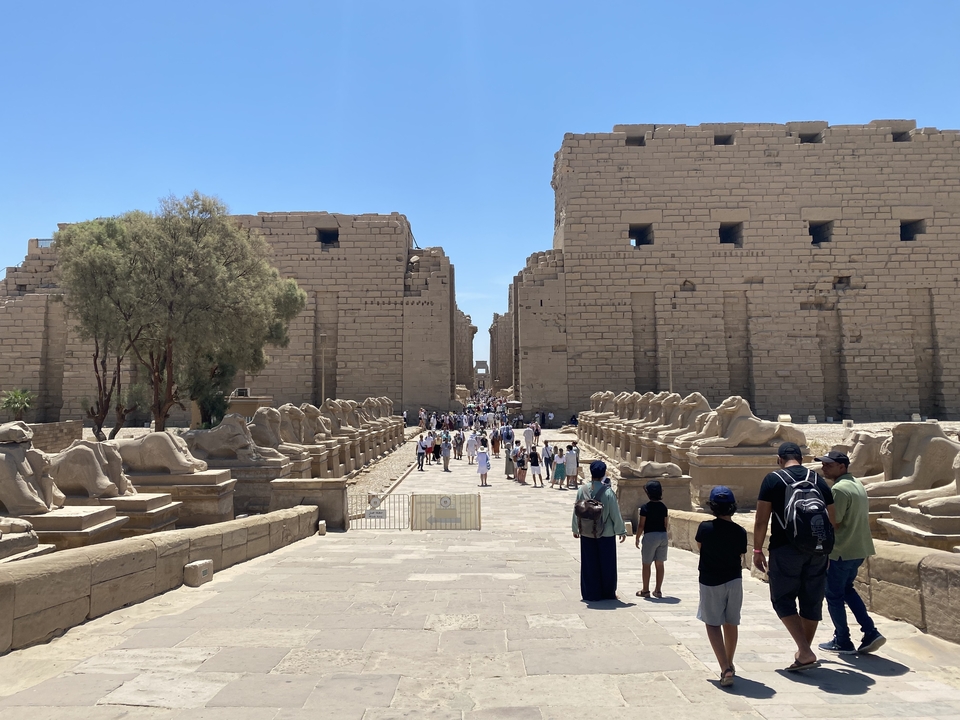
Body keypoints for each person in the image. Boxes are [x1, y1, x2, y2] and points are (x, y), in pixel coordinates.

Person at [754, 442, 836, 672]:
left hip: (785, 548)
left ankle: (804, 650)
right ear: (800, 458)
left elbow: (761, 520)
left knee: (782, 598)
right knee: (812, 600)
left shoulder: (773, 479)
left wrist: (758, 550)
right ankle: (804, 652)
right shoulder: (817, 479)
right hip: (818, 548)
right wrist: (826, 548)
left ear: (779, 459)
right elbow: (832, 519)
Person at [816, 450, 886, 655]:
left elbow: (833, 522)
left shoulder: (839, 490)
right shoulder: (856, 484)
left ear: (842, 466)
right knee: (847, 589)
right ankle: (870, 631)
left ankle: (843, 639)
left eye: (829, 464)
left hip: (841, 551)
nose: (824, 467)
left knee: (833, 595)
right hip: (858, 549)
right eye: (824, 464)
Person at [696, 486, 747, 687]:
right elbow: (741, 554)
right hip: (734, 580)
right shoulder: (740, 532)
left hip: (710, 580)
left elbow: (700, 548)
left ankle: (725, 668)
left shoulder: (705, 528)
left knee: (712, 623)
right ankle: (730, 662)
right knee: (731, 622)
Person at [572, 460, 626, 601]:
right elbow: (615, 513)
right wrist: (621, 530)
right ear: (603, 474)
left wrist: (575, 528)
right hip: (606, 533)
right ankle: (608, 593)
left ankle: (591, 593)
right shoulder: (608, 492)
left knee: (589, 563)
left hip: (587, 532)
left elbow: (576, 510)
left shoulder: (582, 490)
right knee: (607, 564)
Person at [635, 480, 669, 598]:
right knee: (660, 564)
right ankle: (658, 590)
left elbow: (641, 525)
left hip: (650, 536)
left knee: (646, 564)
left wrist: (637, 537)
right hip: (662, 536)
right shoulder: (663, 507)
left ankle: (645, 590)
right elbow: (666, 524)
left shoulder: (645, 507)